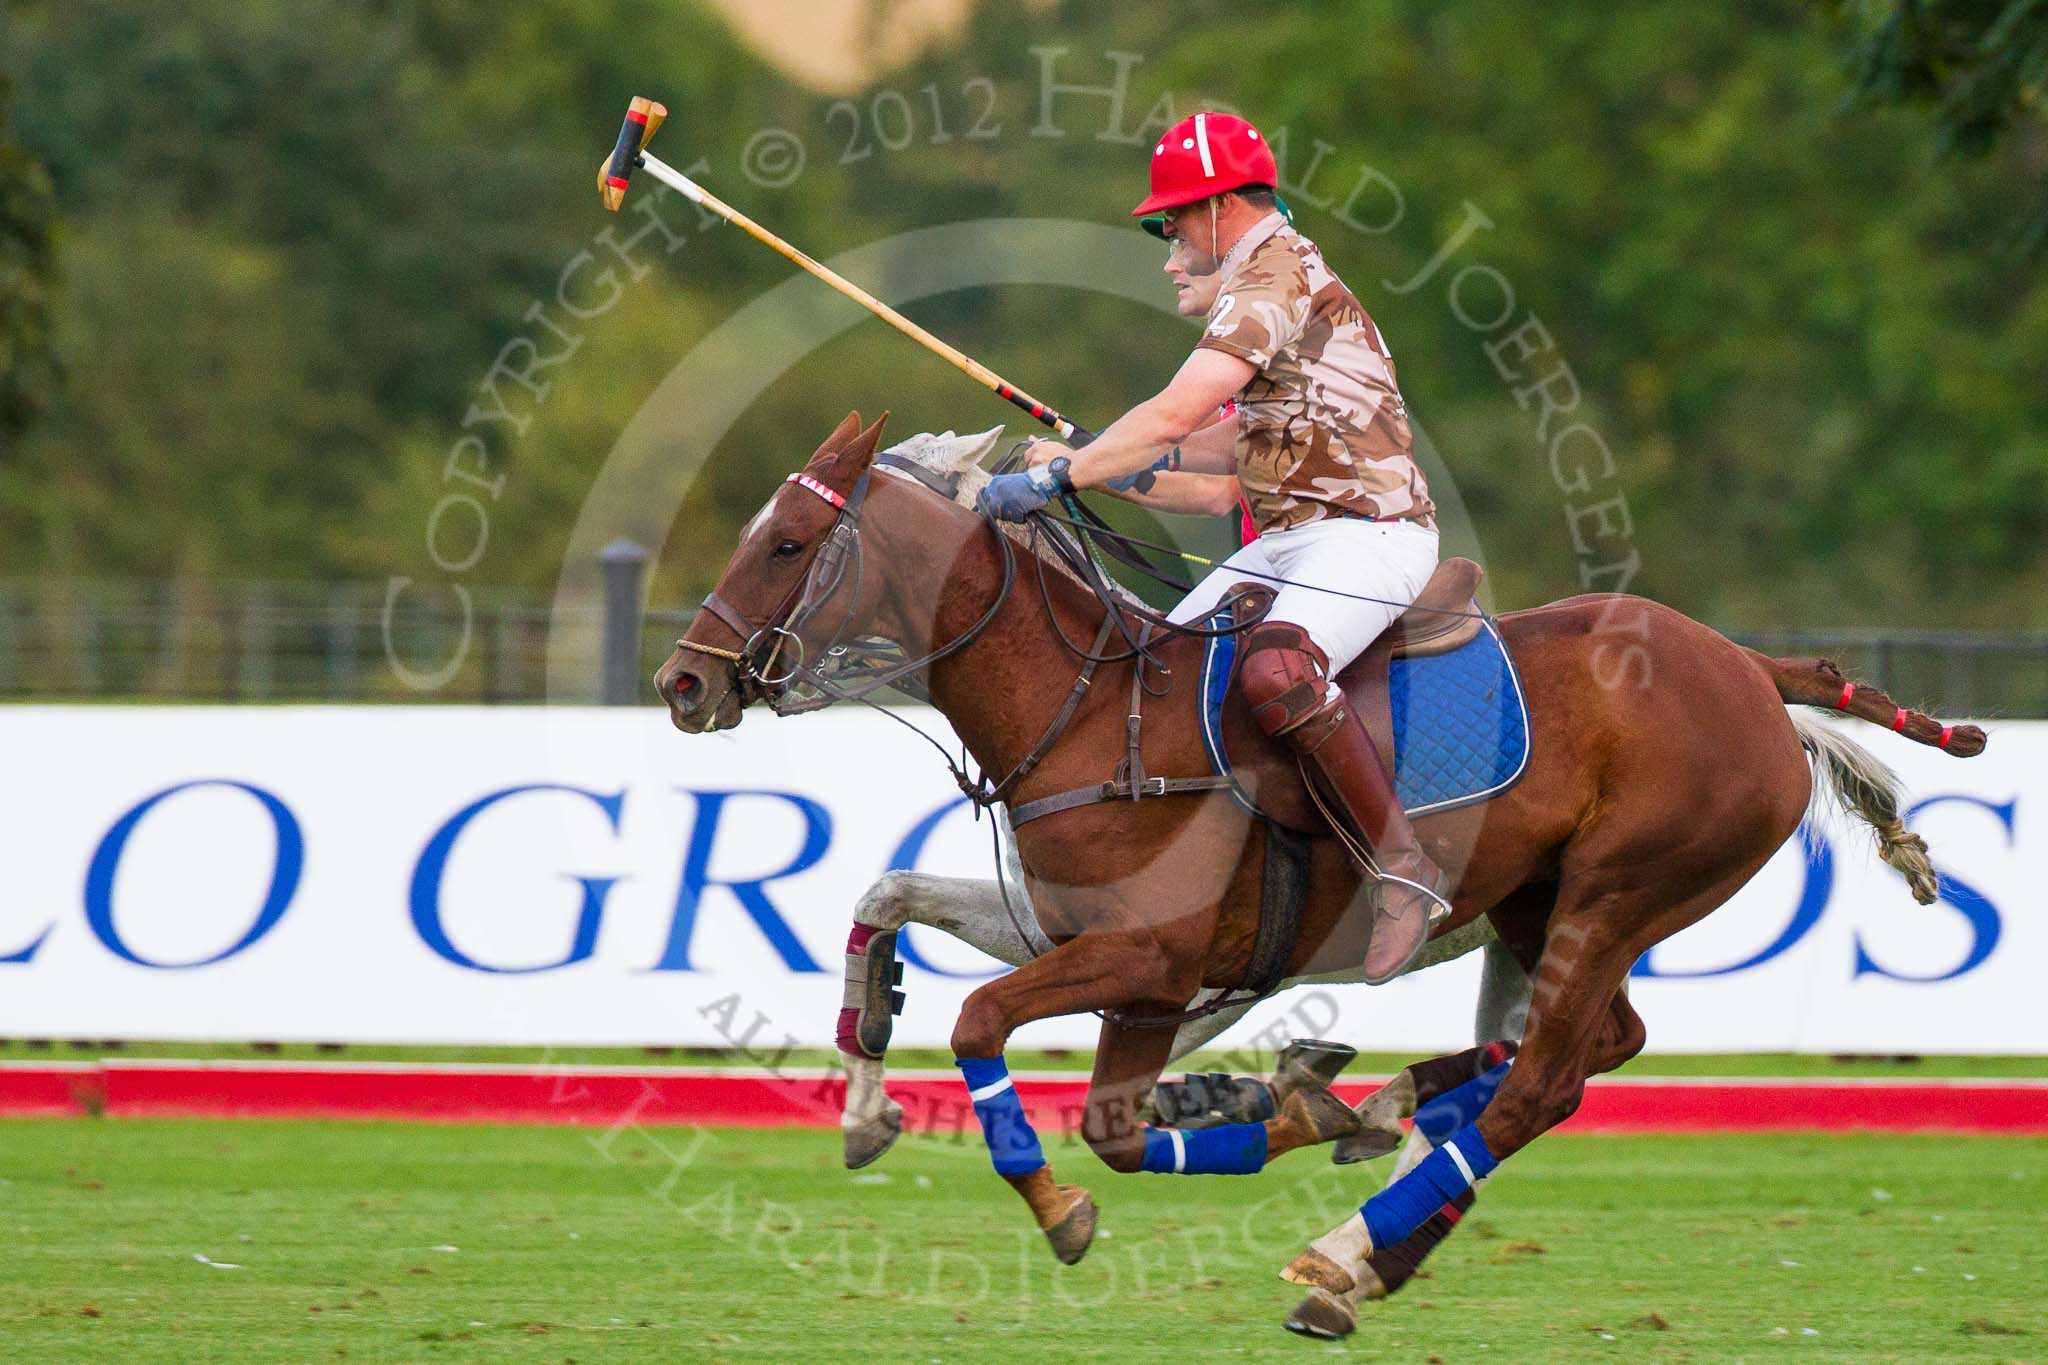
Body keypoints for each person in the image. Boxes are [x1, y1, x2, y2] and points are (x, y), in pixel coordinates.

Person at [978, 111, 1446, 984]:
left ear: (1220, 206)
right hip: (1294, 539)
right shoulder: (1265, 282)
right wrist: (1098, 459)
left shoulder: (1271, 272)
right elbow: (1216, 453)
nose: (1169, 244)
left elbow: (1178, 413)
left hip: (1370, 534)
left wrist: (1062, 478)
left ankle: (1404, 870)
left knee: (1275, 669)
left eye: (1171, 221)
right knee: (1153, 674)